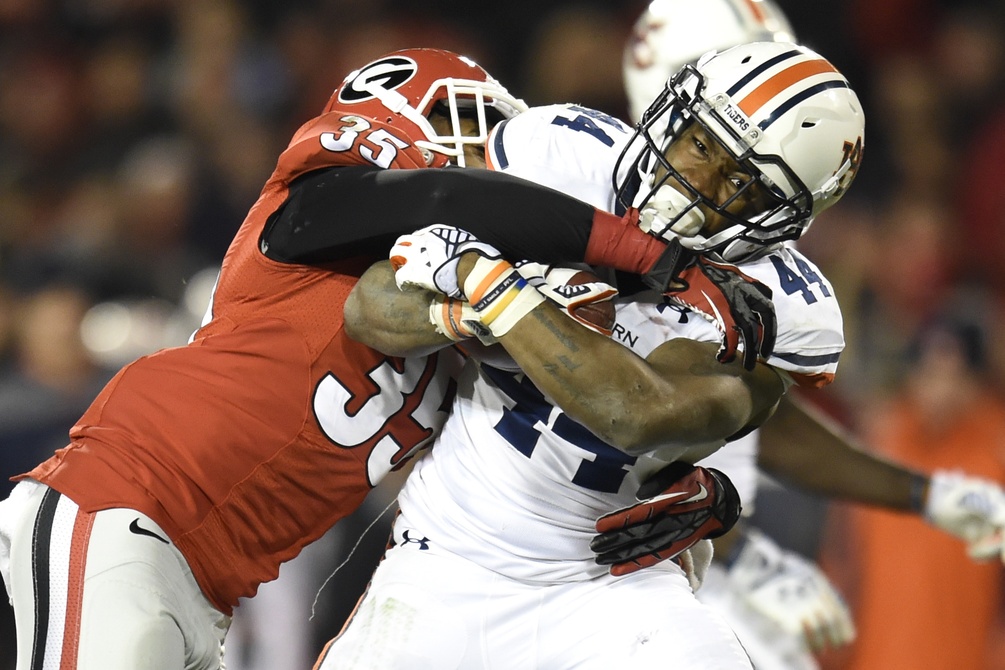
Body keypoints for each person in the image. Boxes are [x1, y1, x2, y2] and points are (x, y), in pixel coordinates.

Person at [0, 48, 768, 669]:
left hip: (207, 583)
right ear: (395, 114)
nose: (492, 155)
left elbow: (541, 446)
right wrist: (648, 253)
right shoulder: (310, 208)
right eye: (468, 125)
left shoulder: (450, 305)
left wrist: (706, 492)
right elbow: (441, 198)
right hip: (123, 506)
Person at [315, 40, 864, 668]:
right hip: (448, 557)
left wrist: (491, 283)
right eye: (701, 141)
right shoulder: (565, 156)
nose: (696, 179)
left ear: (782, 216)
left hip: (609, 587)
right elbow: (372, 308)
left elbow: (633, 411)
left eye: (740, 180)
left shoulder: (778, 307)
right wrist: (474, 313)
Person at [621, 0, 1005, 666]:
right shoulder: (574, 193)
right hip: (562, 567)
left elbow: (747, 412)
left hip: (675, 560)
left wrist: (923, 493)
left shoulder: (740, 250)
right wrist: (739, 556)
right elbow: (621, 417)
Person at [820, 312, 1005, 670]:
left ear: (977, 382)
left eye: (955, 376)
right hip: (876, 659)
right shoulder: (880, 442)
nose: (941, 391)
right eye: (931, 374)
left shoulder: (995, 451)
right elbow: (842, 560)